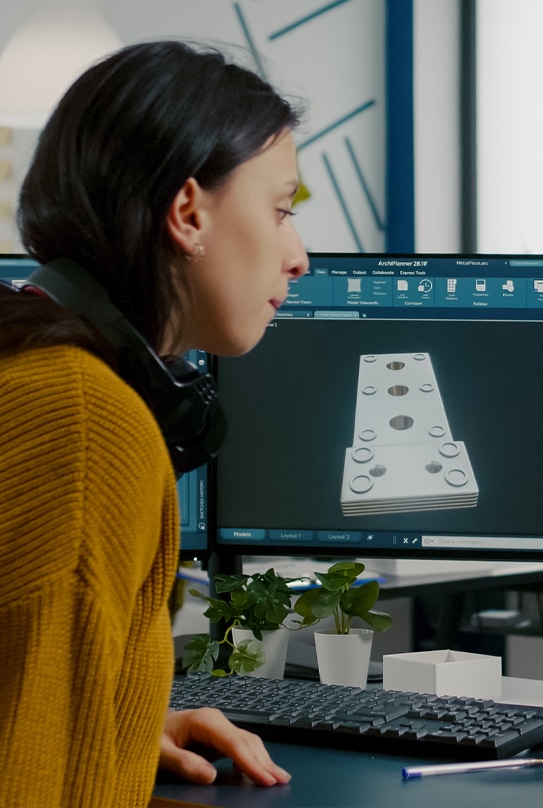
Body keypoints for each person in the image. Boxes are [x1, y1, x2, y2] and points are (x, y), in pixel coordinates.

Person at [0, 40, 309, 806]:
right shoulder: (85, 422)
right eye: (280, 211)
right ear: (188, 212)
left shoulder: (30, 365)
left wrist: (123, 725)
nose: (297, 256)